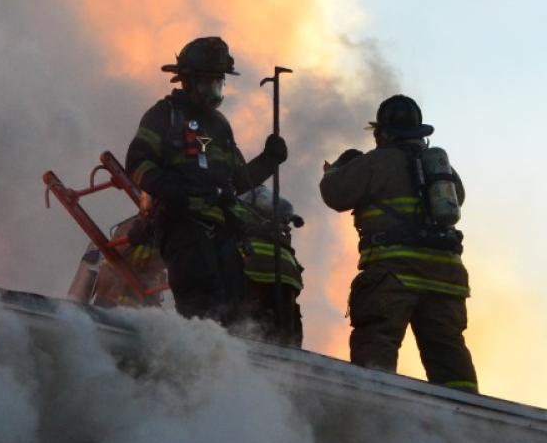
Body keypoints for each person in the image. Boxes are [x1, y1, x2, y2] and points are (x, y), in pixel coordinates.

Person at [319, 94, 477, 393]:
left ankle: (376, 408)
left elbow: (335, 194)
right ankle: (469, 413)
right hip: (446, 276)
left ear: (382, 133)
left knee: (376, 344)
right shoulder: (441, 169)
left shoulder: (374, 162)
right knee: (449, 354)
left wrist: (340, 167)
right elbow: (458, 199)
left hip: (393, 274)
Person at [124, 36, 287, 325]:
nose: (214, 91)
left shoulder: (220, 126)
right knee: (201, 305)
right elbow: (137, 163)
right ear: (187, 81)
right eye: (207, 83)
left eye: (218, 83)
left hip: (223, 231)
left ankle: (226, 353)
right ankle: (199, 353)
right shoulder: (164, 116)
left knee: (234, 307)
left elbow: (239, 181)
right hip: (181, 225)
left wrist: (269, 160)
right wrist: (174, 192)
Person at [234, 186, 304, 346]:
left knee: (248, 323)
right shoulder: (267, 203)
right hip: (288, 273)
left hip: (254, 267)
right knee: (286, 334)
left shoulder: (239, 202)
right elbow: (286, 208)